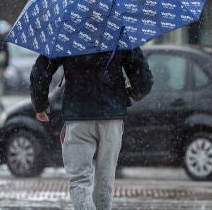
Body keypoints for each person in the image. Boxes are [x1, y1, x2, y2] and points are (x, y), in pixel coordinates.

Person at [30, 48, 153, 210]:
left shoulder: (68, 33)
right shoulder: (119, 31)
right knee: (105, 181)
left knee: (79, 181)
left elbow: (41, 70)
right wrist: (132, 91)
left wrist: (40, 103)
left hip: (78, 116)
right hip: (111, 117)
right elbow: (144, 79)